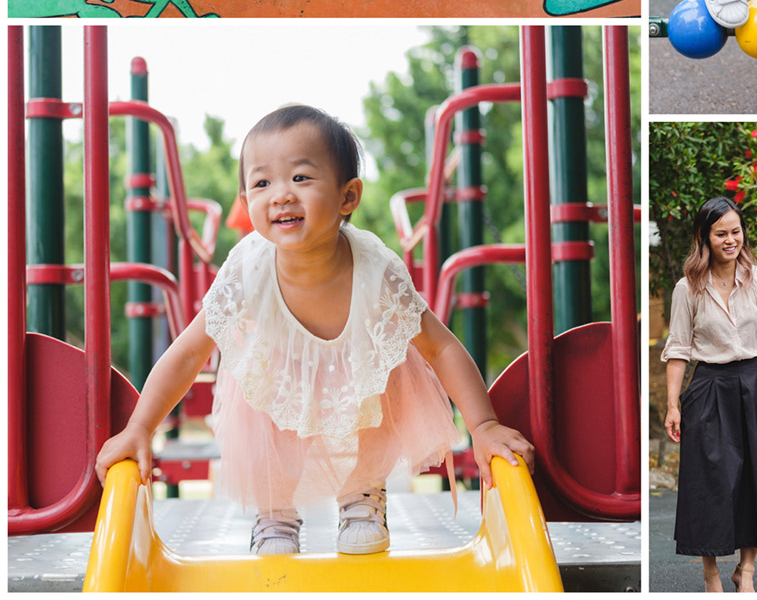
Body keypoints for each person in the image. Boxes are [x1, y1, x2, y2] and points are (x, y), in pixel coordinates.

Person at [96, 105, 533, 555]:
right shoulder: (248, 268)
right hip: (282, 374)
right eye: (262, 183)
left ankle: (363, 494)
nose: (281, 194)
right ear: (247, 206)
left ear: (348, 197)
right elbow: (188, 353)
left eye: (301, 178)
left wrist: (482, 425)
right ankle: (275, 510)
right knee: (268, 409)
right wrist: (141, 428)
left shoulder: (375, 269)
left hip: (361, 373)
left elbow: (440, 348)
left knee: (381, 385)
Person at [662, 197, 757, 592]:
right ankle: (711, 574)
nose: (730, 240)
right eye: (721, 233)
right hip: (708, 388)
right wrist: (673, 405)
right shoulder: (687, 288)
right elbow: (678, 351)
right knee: (710, 482)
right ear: (705, 237)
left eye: (735, 232)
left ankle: (747, 571)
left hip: (754, 384)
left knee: (755, 478)